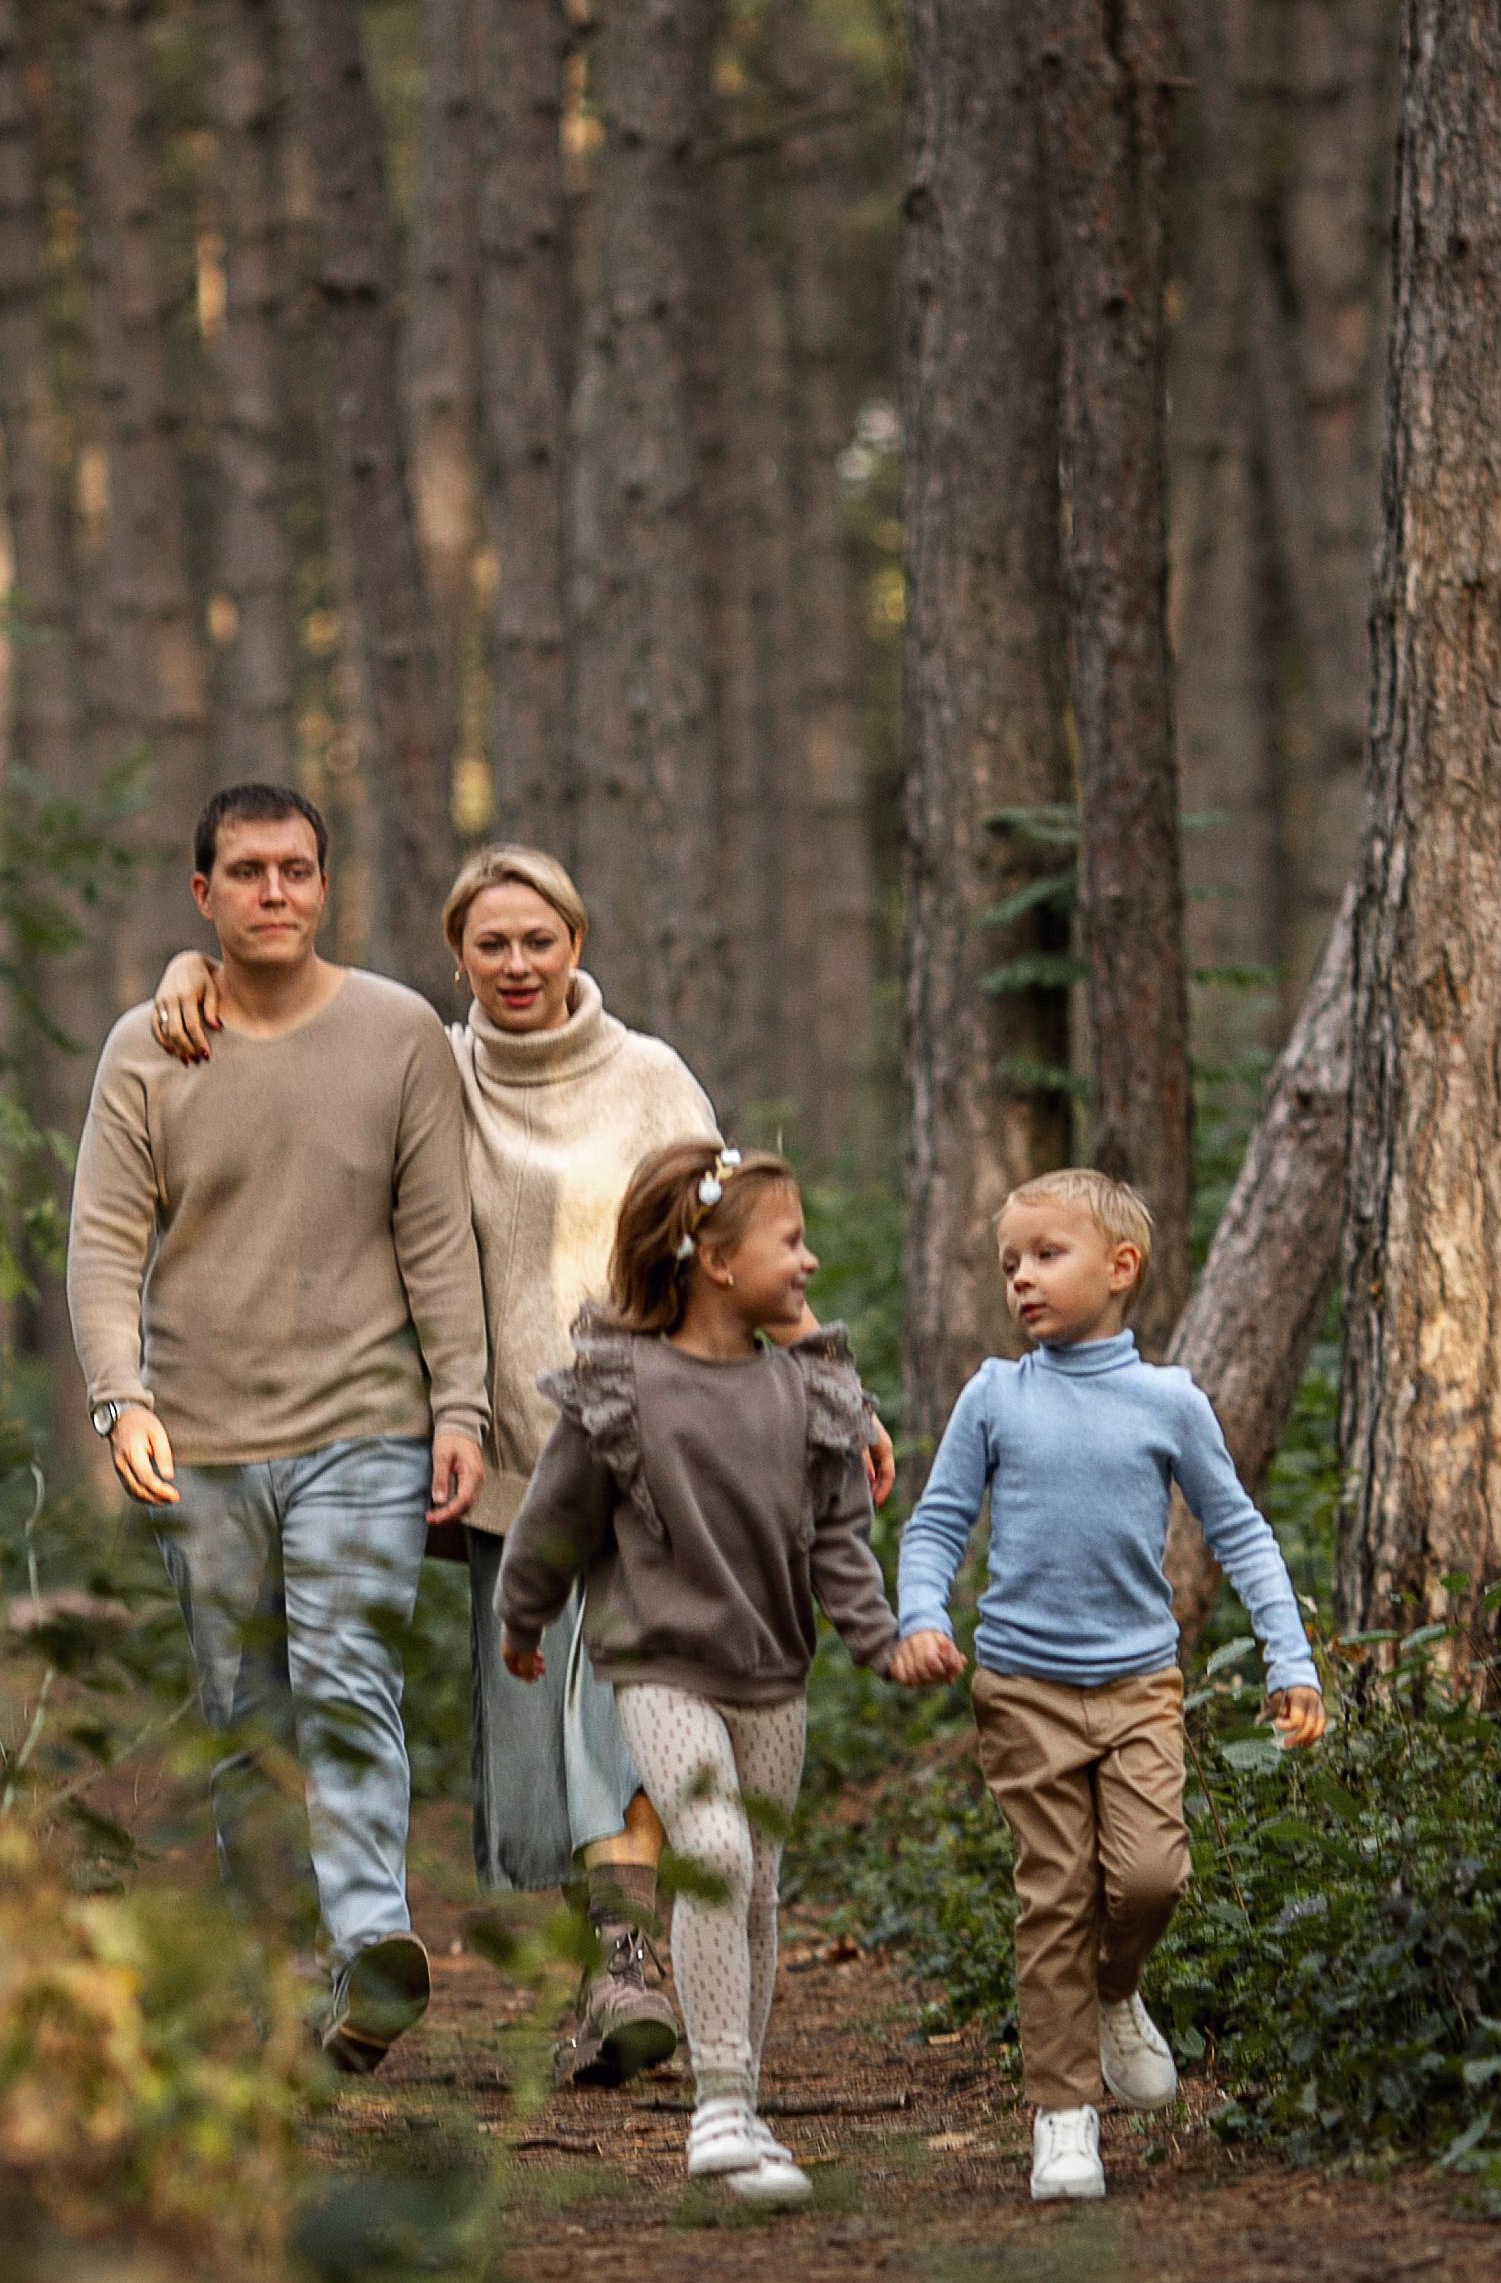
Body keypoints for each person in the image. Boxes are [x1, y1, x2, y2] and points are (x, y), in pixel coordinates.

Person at [147, 845, 894, 2089]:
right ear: (457, 959)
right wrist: (191, 969)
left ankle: (627, 1965)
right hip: (507, 1459)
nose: (516, 966)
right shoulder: (430, 1069)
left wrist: (833, 1381)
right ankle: (614, 1975)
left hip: (661, 1452)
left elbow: (736, 1249)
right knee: (537, 1743)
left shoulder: (650, 1079)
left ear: (577, 945)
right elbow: (301, 1022)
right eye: (490, 946)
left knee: (620, 1705)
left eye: (537, 941)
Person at [68, 782, 489, 2075]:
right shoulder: (153, 1042)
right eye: (246, 871)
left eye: (296, 869)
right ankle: (271, 1975)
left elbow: (435, 1232)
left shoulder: (400, 1030)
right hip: (199, 1435)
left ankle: (368, 1943)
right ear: (203, 894)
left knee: (347, 1676)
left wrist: (460, 1402)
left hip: (365, 1421)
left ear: (325, 884)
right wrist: (119, 1396)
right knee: (244, 1708)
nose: (274, 891)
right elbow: (101, 1238)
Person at [495, 1141, 921, 2206]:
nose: (810, 1262)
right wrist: (521, 1614)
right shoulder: (624, 1387)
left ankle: (745, 2098)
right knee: (715, 1854)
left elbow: (836, 1546)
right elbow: (554, 1519)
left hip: (772, 1675)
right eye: (791, 1241)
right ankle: (717, 2109)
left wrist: (880, 1638)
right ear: (716, 1263)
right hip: (659, 1667)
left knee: (758, 1885)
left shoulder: (804, 1393)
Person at [890, 1168, 1326, 2205]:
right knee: (1052, 1897)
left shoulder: (1166, 1402)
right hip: (1021, 1688)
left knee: (1145, 1880)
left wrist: (1290, 1658)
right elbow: (938, 1521)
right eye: (1009, 1265)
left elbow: (1241, 1533)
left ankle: (1116, 1987)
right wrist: (919, 1615)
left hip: (1136, 1685)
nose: (1021, 1281)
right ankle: (1062, 2116)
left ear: (1119, 1267)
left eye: (1046, 1257)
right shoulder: (992, 1396)